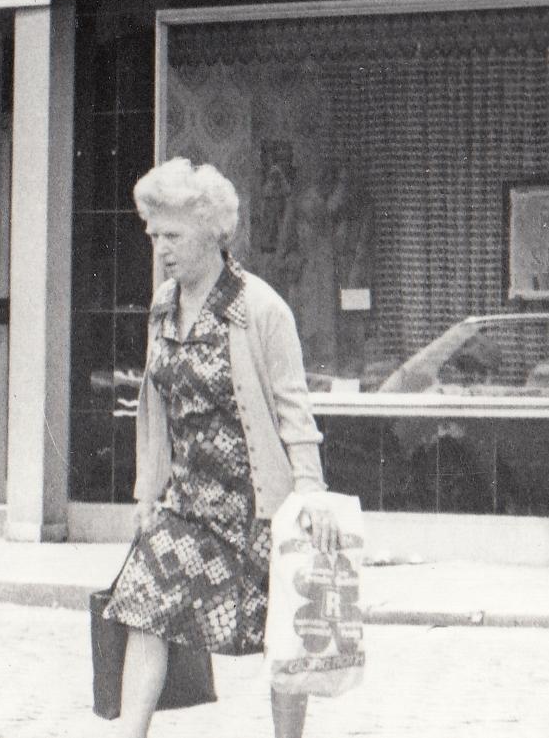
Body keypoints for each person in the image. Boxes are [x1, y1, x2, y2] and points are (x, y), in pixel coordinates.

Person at [109, 157, 334, 738]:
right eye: (154, 235)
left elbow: (294, 411)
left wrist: (310, 497)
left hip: (257, 504)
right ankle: (129, 732)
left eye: (174, 235)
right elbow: (155, 406)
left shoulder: (259, 308)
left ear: (213, 232)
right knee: (143, 604)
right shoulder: (163, 305)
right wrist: (147, 491)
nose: (161, 248)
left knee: (281, 635)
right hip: (187, 500)